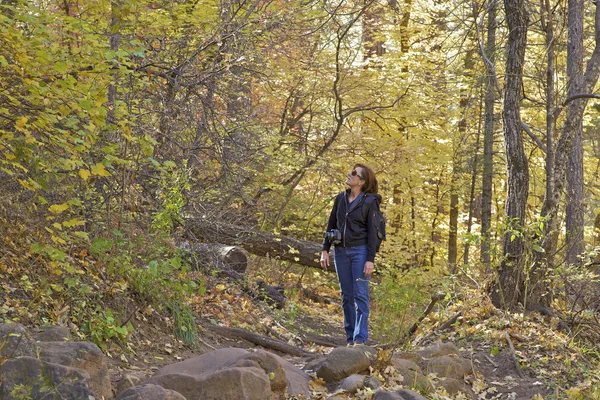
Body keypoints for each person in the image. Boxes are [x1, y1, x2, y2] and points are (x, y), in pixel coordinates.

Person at [320, 163, 382, 346]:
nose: (349, 174)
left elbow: (373, 233)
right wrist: (325, 249)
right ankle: (350, 339)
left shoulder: (370, 202)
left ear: (361, 181)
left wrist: (370, 259)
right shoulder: (340, 198)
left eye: (354, 173)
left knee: (360, 295)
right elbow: (331, 224)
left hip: (360, 252)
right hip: (340, 252)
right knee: (346, 295)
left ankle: (360, 340)